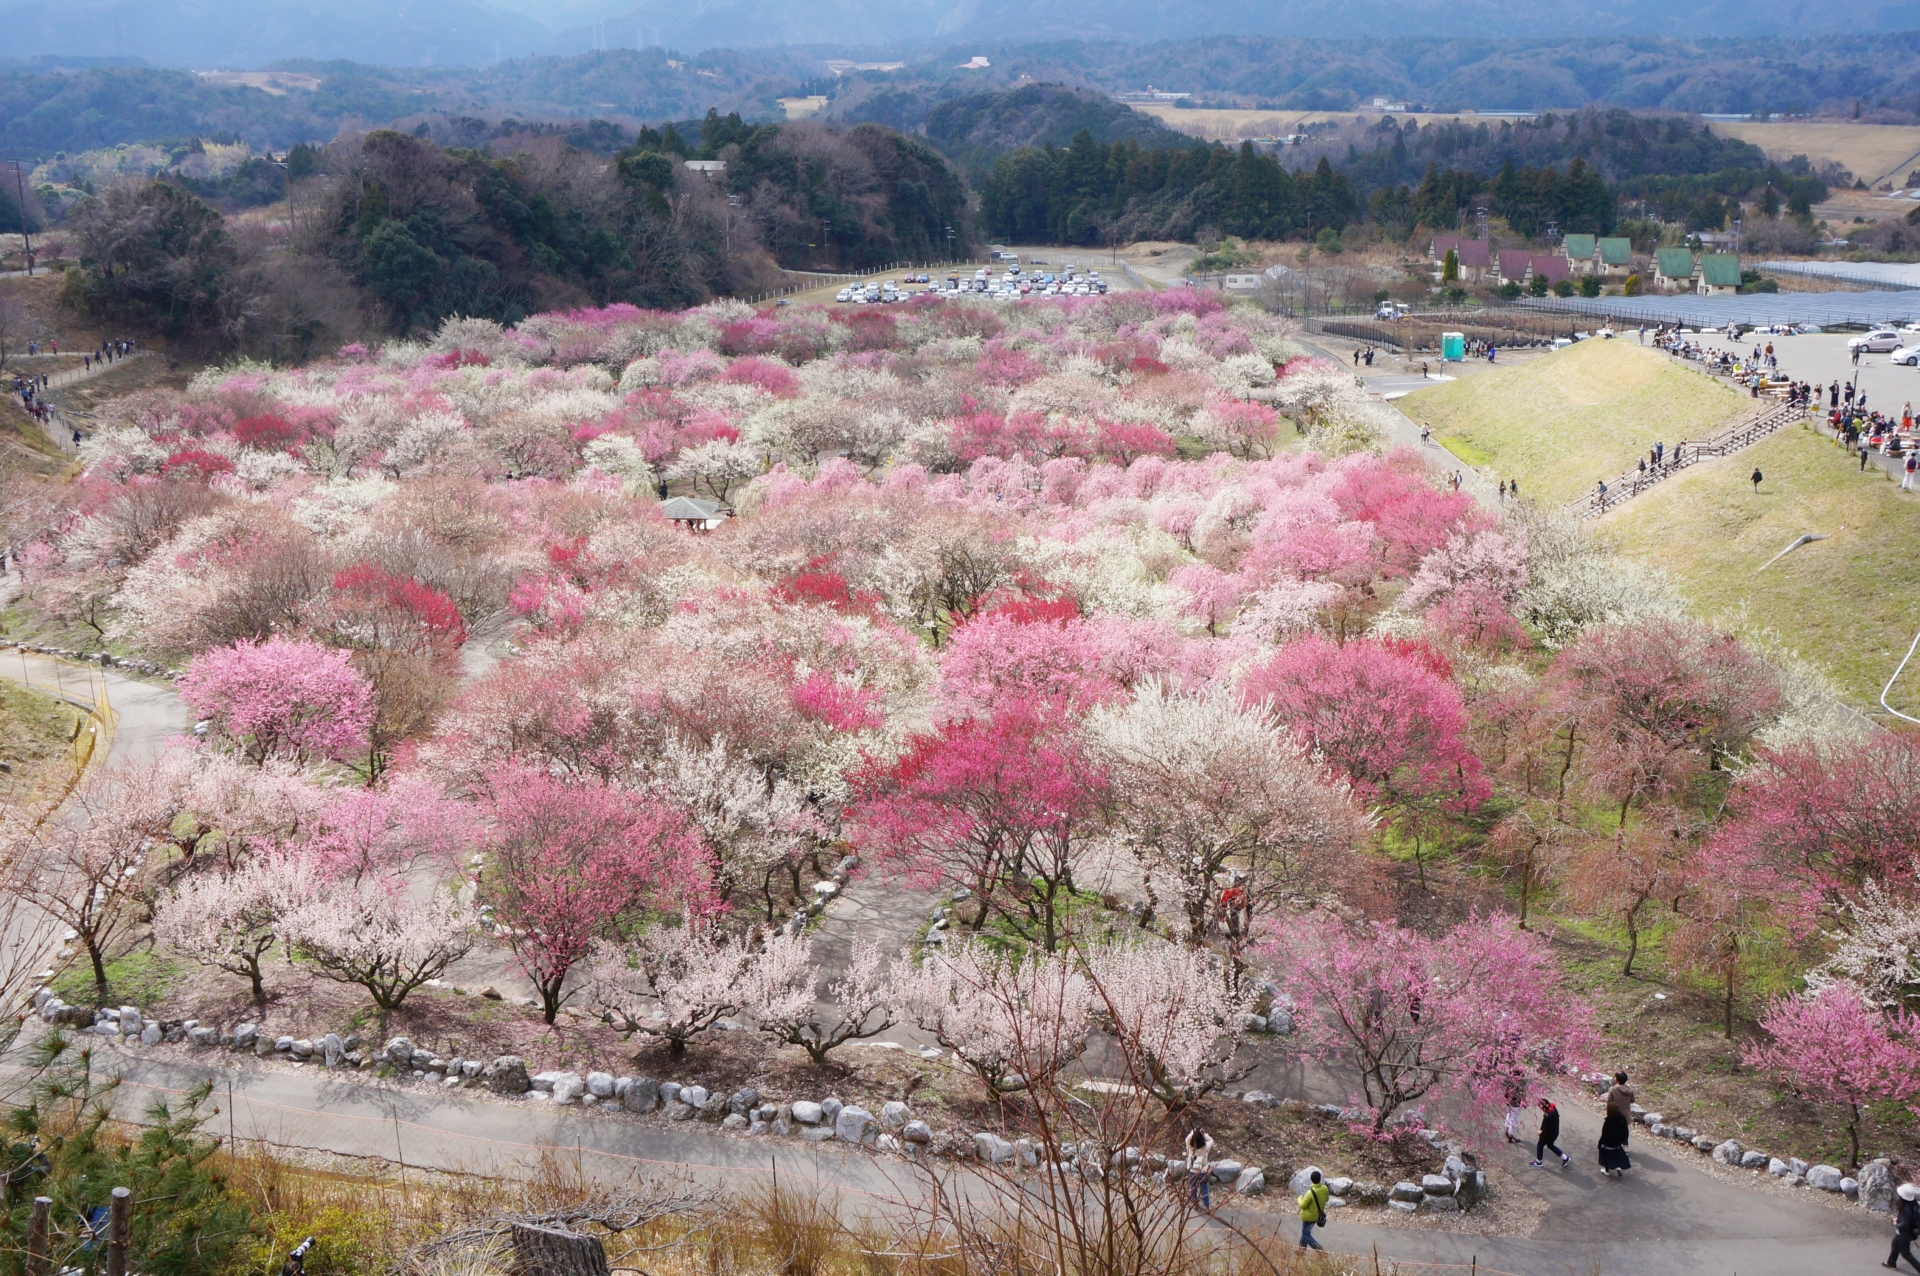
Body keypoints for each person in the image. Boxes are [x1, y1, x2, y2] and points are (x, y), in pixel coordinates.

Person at [1599, 1072, 1634, 1177]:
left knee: (1612, 1134)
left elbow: (1609, 1101)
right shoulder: (1630, 1090)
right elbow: (1632, 1100)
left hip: (1615, 1114)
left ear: (1617, 1079)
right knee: (1623, 1132)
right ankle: (1625, 1148)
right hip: (1625, 1115)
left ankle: (1609, 1167)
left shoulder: (1614, 1089)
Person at [1297, 1168, 1330, 1250]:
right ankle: (1301, 1250)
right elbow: (1327, 1199)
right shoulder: (1325, 1188)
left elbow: (1303, 1205)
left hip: (1308, 1217)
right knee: (1305, 1233)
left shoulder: (1310, 1193)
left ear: (1311, 1180)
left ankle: (1319, 1249)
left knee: (1306, 1235)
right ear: (1320, 1179)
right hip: (1317, 1215)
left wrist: (1299, 1199)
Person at [1890, 1182, 1920, 1271]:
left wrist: (1896, 1224)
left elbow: (1905, 1224)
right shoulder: (1914, 1205)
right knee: (1895, 1244)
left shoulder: (1905, 1208)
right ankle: (1891, 1262)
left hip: (1905, 1234)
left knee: (1906, 1253)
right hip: (1908, 1232)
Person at [1532, 1097, 1569, 1167]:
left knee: (1540, 1145)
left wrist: (1541, 1132)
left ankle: (1538, 1162)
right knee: (1550, 1145)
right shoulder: (1554, 1109)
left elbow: (1545, 1127)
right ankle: (1565, 1158)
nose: (1541, 1109)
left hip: (1548, 1135)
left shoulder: (1548, 1116)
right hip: (1554, 1133)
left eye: (1541, 1107)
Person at [1184, 1127, 1214, 1210]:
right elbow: (1211, 1140)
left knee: (1193, 1187)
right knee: (1204, 1187)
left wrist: (1193, 1131)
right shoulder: (1205, 1147)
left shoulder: (1189, 1146)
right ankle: (1206, 1206)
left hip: (1191, 1169)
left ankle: (1194, 1204)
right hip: (1202, 1170)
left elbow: (1187, 1138)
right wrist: (1204, 1134)